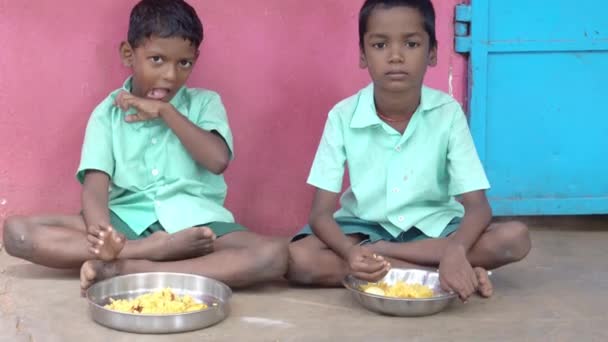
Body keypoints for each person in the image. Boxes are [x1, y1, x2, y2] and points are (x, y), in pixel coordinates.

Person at [2, 0, 288, 293]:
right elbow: (95, 189)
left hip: (197, 224)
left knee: (273, 256)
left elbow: (217, 160)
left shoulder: (205, 103)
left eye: (184, 63)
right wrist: (105, 238)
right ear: (128, 54)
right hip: (126, 222)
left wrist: (166, 112)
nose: (170, 75)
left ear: (195, 59)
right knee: (17, 233)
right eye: (157, 60)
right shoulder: (108, 114)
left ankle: (133, 270)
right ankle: (147, 253)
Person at [286, 0, 531, 301]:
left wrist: (455, 249)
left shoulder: (447, 113)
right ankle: (442, 273)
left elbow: (478, 206)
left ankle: (404, 262)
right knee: (299, 258)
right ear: (363, 55)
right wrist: (351, 252)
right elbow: (320, 214)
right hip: (364, 230)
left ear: (432, 53)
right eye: (379, 45)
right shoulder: (342, 116)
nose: (396, 56)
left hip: (435, 230)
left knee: (514, 238)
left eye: (412, 43)